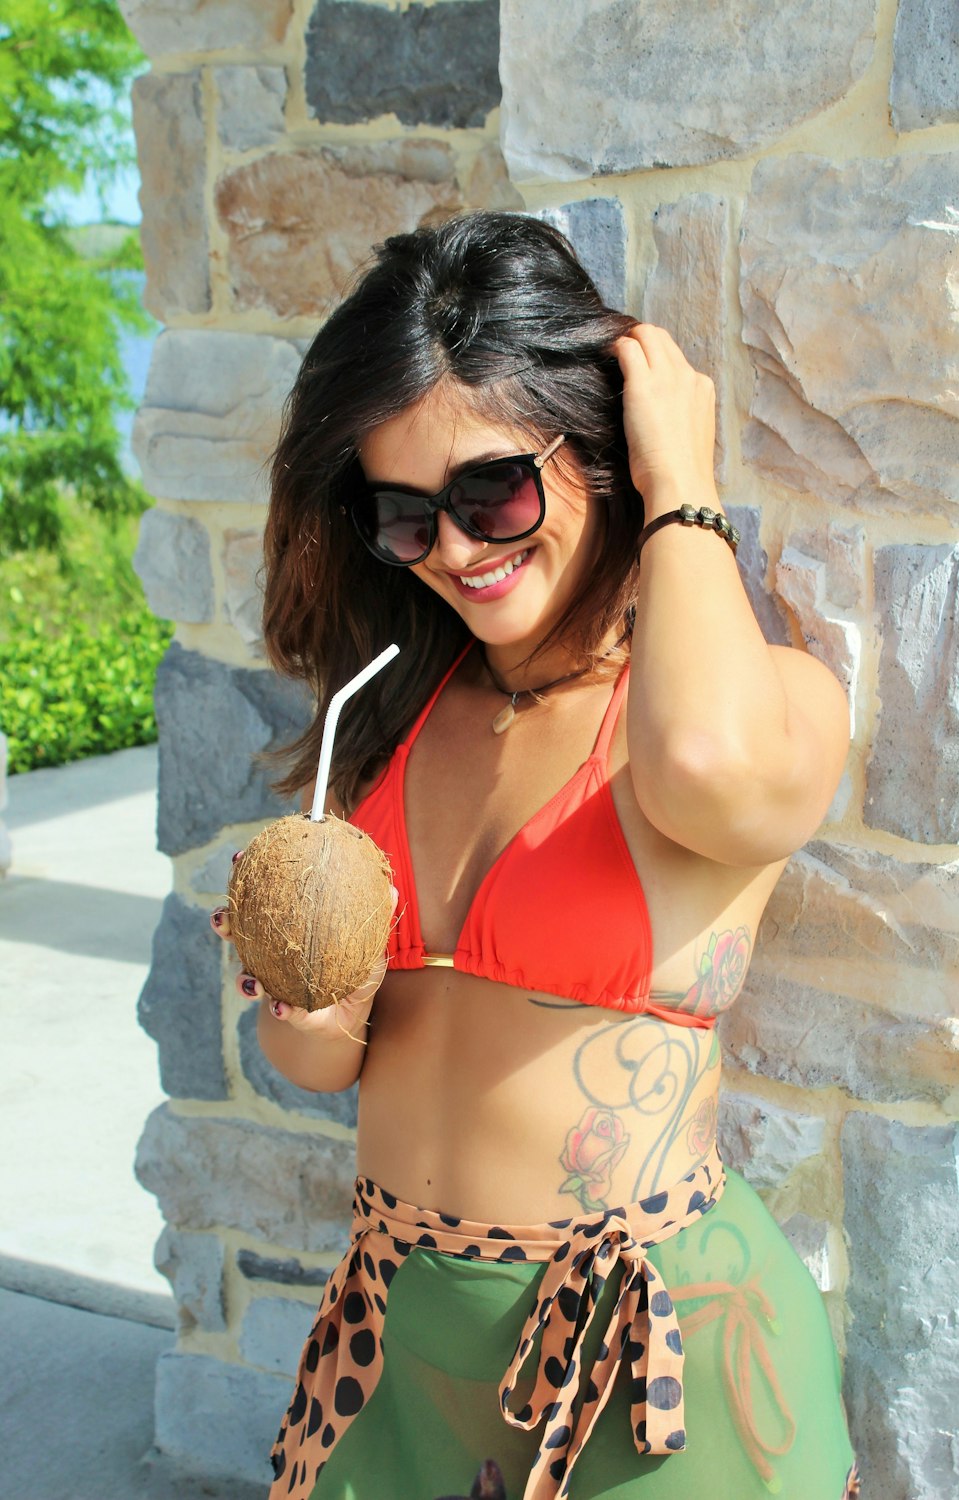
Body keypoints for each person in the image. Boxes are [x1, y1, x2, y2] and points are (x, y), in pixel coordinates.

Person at [211, 211, 860, 1500]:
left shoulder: (763, 702)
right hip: (394, 1340)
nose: (454, 548)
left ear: (597, 453)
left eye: (491, 489)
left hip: (646, 1358)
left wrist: (682, 482)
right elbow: (316, 1058)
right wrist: (307, 986)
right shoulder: (400, 718)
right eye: (405, 516)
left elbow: (713, 774)